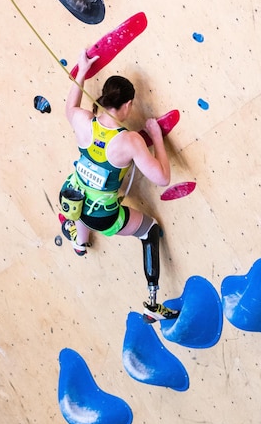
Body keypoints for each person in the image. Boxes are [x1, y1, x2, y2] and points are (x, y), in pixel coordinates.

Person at [59, 48, 179, 321]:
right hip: (102, 215)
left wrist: (83, 69)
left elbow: (70, 107)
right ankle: (152, 304)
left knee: (84, 202)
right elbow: (162, 178)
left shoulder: (81, 120)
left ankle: (80, 242)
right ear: (125, 105)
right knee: (149, 230)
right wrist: (156, 137)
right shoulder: (129, 142)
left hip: (72, 196)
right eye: (132, 105)